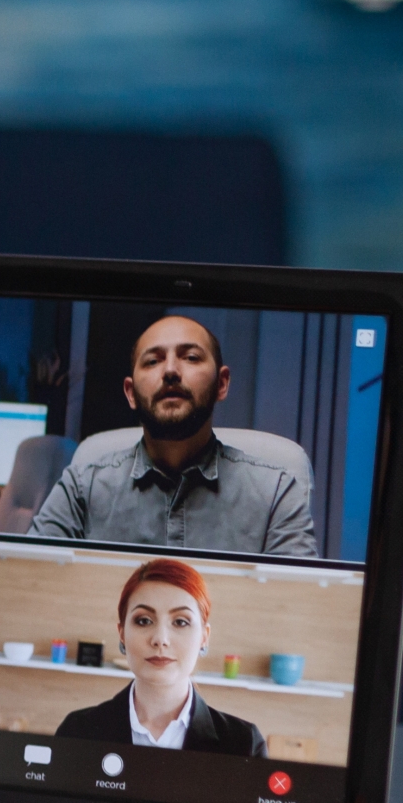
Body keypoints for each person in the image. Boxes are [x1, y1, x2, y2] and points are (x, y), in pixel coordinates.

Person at [28, 314, 316, 557]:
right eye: (152, 361)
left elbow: (298, 607)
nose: (170, 371)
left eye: (190, 357)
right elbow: (29, 582)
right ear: (130, 393)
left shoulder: (275, 492)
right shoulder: (82, 488)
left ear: (222, 384)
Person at [55, 558, 266, 755]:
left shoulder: (244, 744)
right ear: (122, 633)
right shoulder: (77, 731)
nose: (160, 639)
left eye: (181, 622)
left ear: (204, 636)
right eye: (144, 621)